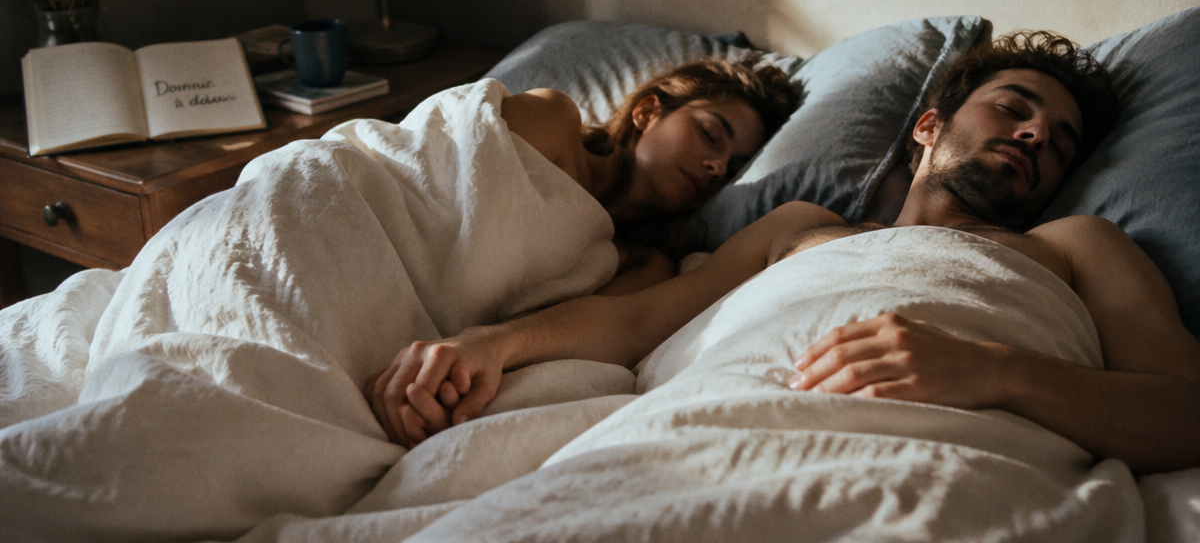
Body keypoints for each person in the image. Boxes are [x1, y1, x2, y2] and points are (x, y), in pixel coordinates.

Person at [366, 31, 1200, 474]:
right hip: (690, 440)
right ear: (929, 128)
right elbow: (640, 321)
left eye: (1058, 144)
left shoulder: (1076, 246)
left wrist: (997, 372)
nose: (1033, 136)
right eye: (1014, 108)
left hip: (930, 463)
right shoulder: (802, 226)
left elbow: (1189, 412)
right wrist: (491, 343)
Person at [499, 57, 799, 294]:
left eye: (733, 170)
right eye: (710, 134)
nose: (718, 167)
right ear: (647, 111)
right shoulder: (553, 119)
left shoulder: (645, 268)